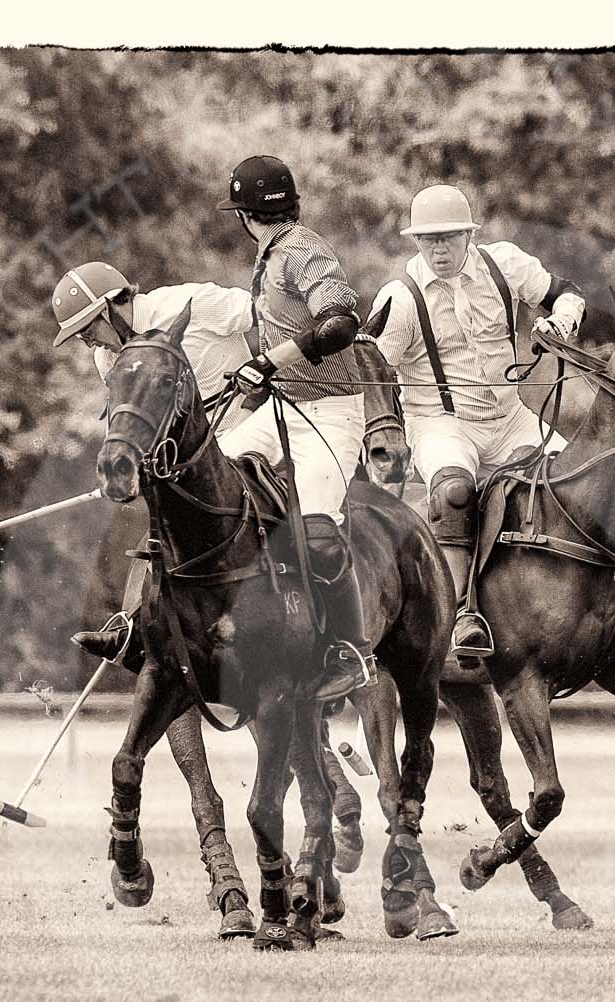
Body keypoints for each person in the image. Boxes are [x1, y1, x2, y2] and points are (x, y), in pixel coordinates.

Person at [368, 185, 586, 657]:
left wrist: (558, 325)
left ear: (468, 235)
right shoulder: (400, 299)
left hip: (510, 418)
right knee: (454, 493)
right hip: (441, 424)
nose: (438, 249)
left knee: (578, 485)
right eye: (428, 240)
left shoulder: (504, 264)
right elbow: (373, 371)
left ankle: (605, 605)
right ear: (416, 242)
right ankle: (461, 615)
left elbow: (566, 293)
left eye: (448, 238)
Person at [215, 154, 373, 702]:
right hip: (278, 410)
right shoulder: (271, 255)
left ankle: (352, 650)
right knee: (203, 477)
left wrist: (270, 360)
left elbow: (340, 325)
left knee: (318, 536)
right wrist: (257, 382)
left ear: (244, 215)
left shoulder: (303, 250)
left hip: (329, 411)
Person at [49, 260, 255, 669]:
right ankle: (132, 628)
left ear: (112, 308)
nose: (89, 344)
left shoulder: (190, 303)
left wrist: (266, 372)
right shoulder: (110, 361)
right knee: (164, 532)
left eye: (89, 330)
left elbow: (265, 312)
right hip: (187, 472)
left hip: (251, 431)